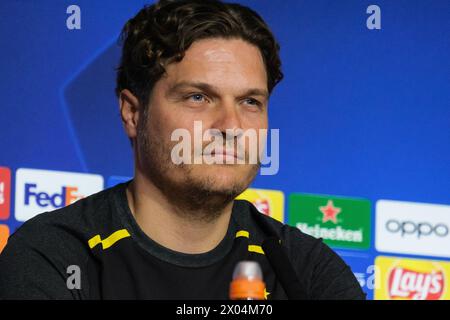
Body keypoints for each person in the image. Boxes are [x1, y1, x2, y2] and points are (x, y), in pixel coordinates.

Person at [0, 0, 365, 299]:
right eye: (198, 97)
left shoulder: (305, 269)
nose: (231, 126)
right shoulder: (56, 257)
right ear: (132, 112)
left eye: (250, 102)